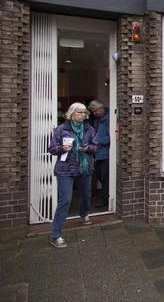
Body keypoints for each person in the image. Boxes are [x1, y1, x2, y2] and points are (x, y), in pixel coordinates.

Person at [47, 103, 99, 249]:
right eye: (79, 112)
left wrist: (88, 148)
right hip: (65, 169)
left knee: (86, 194)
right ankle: (56, 235)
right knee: (65, 200)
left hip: (84, 167)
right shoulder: (61, 129)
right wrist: (62, 148)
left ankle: (84, 213)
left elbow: (96, 147)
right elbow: (52, 148)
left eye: (84, 113)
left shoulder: (89, 129)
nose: (83, 115)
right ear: (71, 114)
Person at [88, 100, 110, 208]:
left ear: (101, 108)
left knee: (105, 176)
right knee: (97, 173)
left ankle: (104, 197)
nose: (94, 113)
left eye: (95, 111)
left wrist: (96, 141)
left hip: (105, 153)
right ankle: (107, 192)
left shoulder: (108, 119)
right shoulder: (97, 119)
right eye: (92, 111)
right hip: (99, 153)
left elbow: (109, 138)